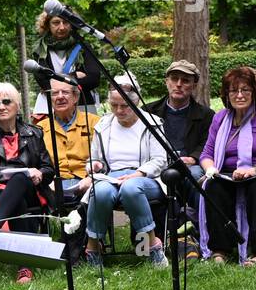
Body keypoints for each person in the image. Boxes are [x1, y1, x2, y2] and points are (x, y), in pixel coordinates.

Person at [0, 83, 56, 283]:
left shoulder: (34, 133)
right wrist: (14, 173)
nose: (1, 106)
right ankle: (25, 267)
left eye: (6, 101)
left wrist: (39, 174)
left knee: (21, 180)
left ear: (17, 105)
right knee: (18, 192)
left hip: (31, 191)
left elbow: (48, 169)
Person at [197, 67, 256, 265]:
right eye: (233, 90)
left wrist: (253, 170)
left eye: (245, 90)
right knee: (214, 187)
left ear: (254, 92)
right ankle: (220, 250)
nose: (239, 95)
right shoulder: (219, 118)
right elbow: (206, 154)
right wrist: (211, 169)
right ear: (226, 95)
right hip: (227, 173)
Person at [81, 77, 170, 269]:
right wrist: (94, 165)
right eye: (114, 105)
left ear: (136, 101)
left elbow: (160, 160)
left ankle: (152, 247)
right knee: (101, 191)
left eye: (125, 106)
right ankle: (93, 249)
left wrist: (137, 174)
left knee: (130, 188)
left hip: (146, 178)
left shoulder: (152, 123)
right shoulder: (103, 126)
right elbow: (95, 159)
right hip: (112, 177)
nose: (119, 111)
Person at [143, 59, 214, 187]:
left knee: (195, 174)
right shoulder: (148, 112)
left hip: (189, 166)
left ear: (194, 85)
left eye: (185, 80)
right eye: (174, 79)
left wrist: (193, 158)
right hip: (155, 164)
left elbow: (207, 143)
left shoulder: (206, 115)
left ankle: (197, 208)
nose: (179, 84)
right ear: (166, 82)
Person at [37, 76, 99, 202]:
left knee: (100, 193)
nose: (60, 97)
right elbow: (38, 164)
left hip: (88, 182)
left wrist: (92, 179)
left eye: (65, 92)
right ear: (50, 99)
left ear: (75, 97)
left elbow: (105, 159)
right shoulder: (40, 129)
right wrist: (47, 182)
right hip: (54, 184)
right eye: (54, 93)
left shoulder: (95, 123)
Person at [32, 8, 100, 114]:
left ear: (72, 24)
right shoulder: (39, 50)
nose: (62, 27)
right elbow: (44, 83)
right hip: (49, 108)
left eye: (66, 22)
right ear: (47, 25)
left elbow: (94, 79)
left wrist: (55, 79)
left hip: (82, 107)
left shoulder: (83, 46)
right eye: (56, 23)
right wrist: (74, 76)